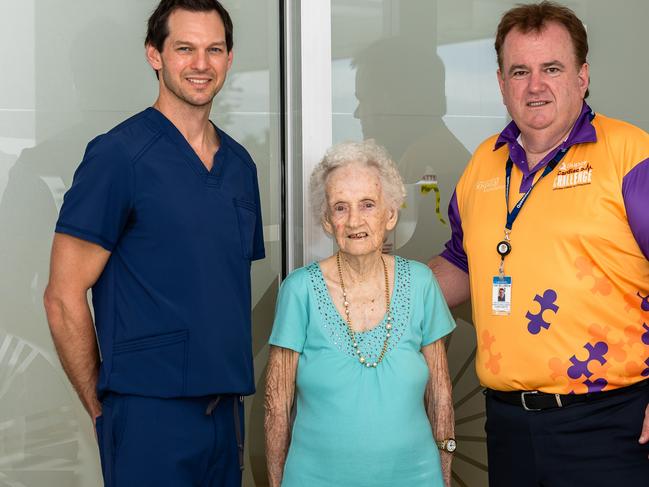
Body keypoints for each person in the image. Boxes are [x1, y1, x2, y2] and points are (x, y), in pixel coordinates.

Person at [43, 1, 264, 485]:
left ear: (229, 58)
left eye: (214, 49)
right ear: (154, 55)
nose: (201, 63)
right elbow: (62, 296)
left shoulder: (241, 168)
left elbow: (219, 289)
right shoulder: (118, 156)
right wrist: (102, 407)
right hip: (149, 416)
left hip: (226, 414)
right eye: (184, 48)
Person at [429, 2, 649, 485]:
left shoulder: (631, 155)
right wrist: (377, 296)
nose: (535, 86)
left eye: (552, 68)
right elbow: (463, 263)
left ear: (582, 76)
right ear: (501, 82)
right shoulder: (483, 165)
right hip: (507, 425)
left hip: (611, 422)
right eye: (519, 71)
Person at [264, 140, 456, 487]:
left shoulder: (421, 284)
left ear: (391, 214)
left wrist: (444, 474)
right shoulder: (300, 290)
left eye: (368, 205)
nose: (354, 220)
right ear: (326, 220)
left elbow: (441, 395)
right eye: (340, 208)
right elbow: (276, 406)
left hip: (415, 477)